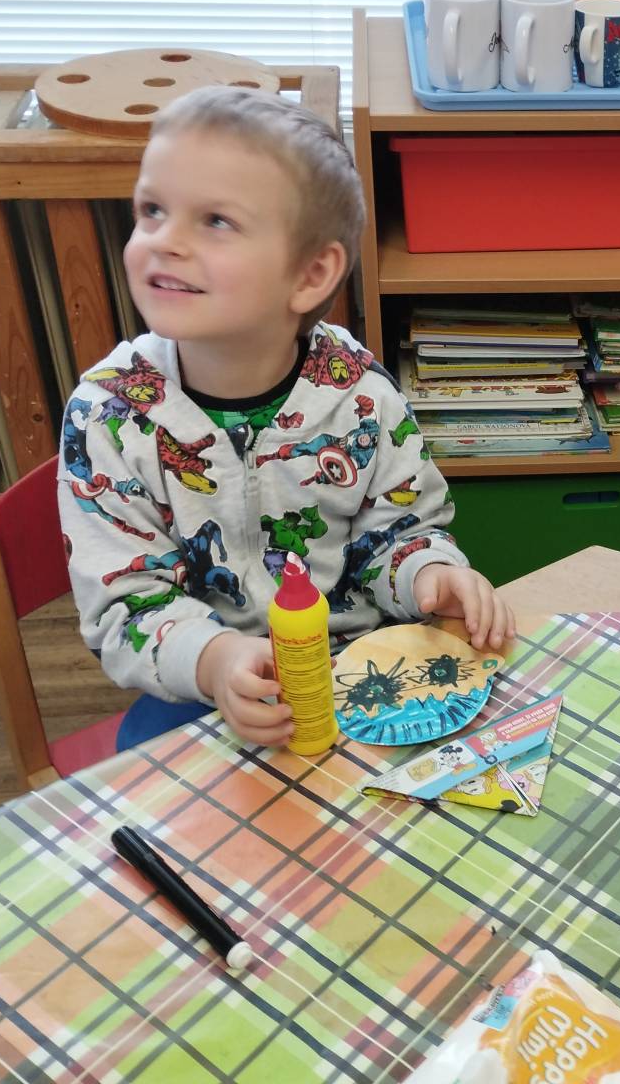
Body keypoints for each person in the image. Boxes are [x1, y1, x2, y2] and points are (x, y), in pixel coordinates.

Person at [58, 86, 514, 751]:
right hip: (202, 689)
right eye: (152, 210)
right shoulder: (107, 414)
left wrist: (428, 574)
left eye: (216, 220)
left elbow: (399, 531)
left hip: (360, 666)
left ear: (310, 274)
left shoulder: (361, 394)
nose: (165, 241)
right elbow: (125, 603)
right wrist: (215, 661)